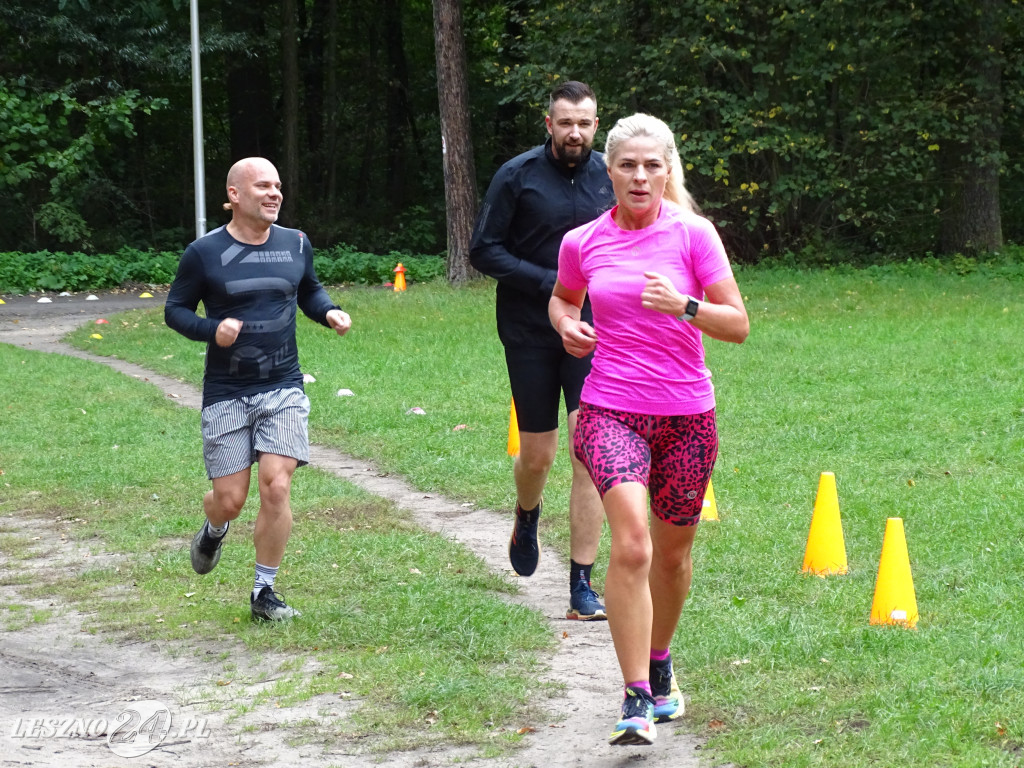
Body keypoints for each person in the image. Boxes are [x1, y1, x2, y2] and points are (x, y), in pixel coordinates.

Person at [549, 114, 749, 745]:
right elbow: (562, 295)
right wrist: (565, 323)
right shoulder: (582, 240)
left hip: (688, 416)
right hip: (610, 408)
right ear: (609, 171)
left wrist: (685, 306)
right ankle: (635, 696)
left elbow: (737, 324)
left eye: (652, 165)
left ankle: (660, 662)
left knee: (672, 555)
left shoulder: (694, 235)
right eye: (628, 166)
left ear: (669, 170)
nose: (640, 177)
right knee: (631, 543)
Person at [165, 157, 352, 622]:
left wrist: (328, 311)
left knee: (276, 485)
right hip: (227, 389)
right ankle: (214, 527)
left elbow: (308, 289)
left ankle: (263, 593)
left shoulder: (296, 243)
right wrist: (212, 330)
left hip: (283, 386)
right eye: (263, 186)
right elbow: (175, 310)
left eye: (278, 186)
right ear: (234, 195)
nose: (274, 194)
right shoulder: (204, 253)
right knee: (231, 499)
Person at [470, 81, 616, 620]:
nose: (574, 132)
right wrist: (552, 283)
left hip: (593, 331)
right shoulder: (517, 175)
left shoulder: (611, 175)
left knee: (586, 451)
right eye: (565, 122)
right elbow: (483, 250)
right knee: (539, 454)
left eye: (584, 123)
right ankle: (526, 513)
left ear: (596, 125)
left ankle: (581, 582)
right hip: (529, 330)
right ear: (548, 124)